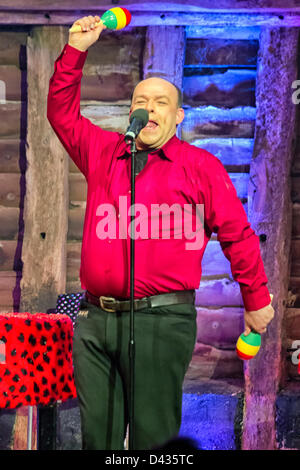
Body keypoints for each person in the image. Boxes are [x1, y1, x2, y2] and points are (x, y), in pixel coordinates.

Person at [47, 16, 274, 450]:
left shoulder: (199, 166)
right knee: (99, 442)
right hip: (95, 322)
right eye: (141, 100)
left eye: (160, 102)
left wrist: (256, 298)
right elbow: (60, 112)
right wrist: (75, 50)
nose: (148, 108)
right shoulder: (104, 152)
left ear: (178, 115)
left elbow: (237, 235)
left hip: (161, 320)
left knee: (153, 444)